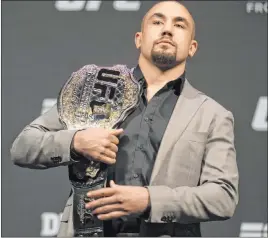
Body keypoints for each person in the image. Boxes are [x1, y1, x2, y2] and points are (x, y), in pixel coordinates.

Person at [10, 1, 239, 237]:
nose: (167, 29)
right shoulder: (96, 90)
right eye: (157, 21)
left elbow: (223, 197)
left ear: (192, 48)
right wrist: (76, 142)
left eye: (179, 25)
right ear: (139, 39)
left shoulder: (212, 115)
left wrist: (150, 200)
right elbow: (23, 146)